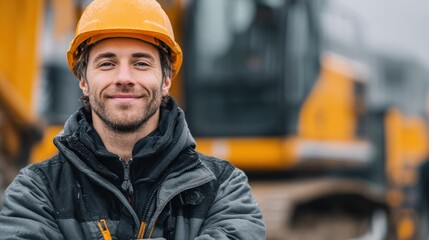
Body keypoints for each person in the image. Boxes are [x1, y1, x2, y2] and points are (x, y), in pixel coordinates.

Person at [0, 0, 266, 239]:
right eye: (107, 63)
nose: (124, 77)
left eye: (141, 63)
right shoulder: (35, 191)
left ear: (166, 80)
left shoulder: (223, 188)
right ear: (83, 80)